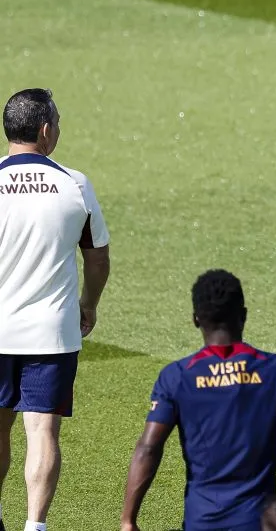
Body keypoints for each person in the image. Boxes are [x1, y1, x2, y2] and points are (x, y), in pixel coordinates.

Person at [120, 270, 276, 531]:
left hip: (201, 520)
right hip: (257, 520)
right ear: (244, 315)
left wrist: (128, 520)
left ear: (195, 319)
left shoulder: (176, 377)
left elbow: (148, 448)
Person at [0, 88, 110, 531]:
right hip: (52, 331)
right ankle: (35, 526)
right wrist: (89, 304)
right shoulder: (74, 183)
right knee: (42, 432)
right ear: (46, 131)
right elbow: (98, 258)